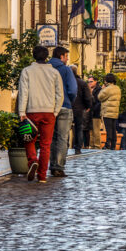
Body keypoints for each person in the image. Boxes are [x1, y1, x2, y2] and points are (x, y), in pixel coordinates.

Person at [18, 45, 64, 183]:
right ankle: (42, 176)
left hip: (31, 111)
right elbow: (59, 94)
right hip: (49, 112)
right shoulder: (54, 73)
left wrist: (22, 111)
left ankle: (33, 160)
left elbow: (23, 92)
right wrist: (55, 111)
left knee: (29, 139)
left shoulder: (27, 71)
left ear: (33, 56)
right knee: (45, 144)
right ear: (46, 57)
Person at [49, 46, 77, 177]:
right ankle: (58, 166)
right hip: (64, 106)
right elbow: (72, 90)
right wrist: (69, 100)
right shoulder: (66, 70)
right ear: (61, 56)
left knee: (51, 137)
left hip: (48, 107)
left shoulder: (46, 68)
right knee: (62, 137)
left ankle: (51, 163)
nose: (67, 59)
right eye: (66, 56)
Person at [70, 64, 92, 154]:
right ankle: (78, 147)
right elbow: (87, 97)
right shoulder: (82, 83)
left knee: (65, 128)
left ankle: (65, 146)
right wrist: (88, 106)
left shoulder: (66, 82)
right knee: (79, 128)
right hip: (79, 109)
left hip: (68, 107)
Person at [98, 73, 121, 150]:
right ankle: (113, 145)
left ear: (107, 80)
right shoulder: (117, 88)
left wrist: (103, 89)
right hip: (115, 111)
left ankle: (107, 144)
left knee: (108, 129)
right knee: (113, 129)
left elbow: (100, 97)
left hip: (107, 112)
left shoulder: (107, 89)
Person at [87, 75, 102, 149]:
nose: (89, 83)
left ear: (95, 81)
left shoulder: (99, 90)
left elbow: (99, 102)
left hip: (96, 113)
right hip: (90, 113)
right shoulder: (89, 89)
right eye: (88, 81)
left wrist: (93, 109)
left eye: (91, 81)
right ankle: (91, 146)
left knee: (96, 131)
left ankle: (97, 146)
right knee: (91, 131)